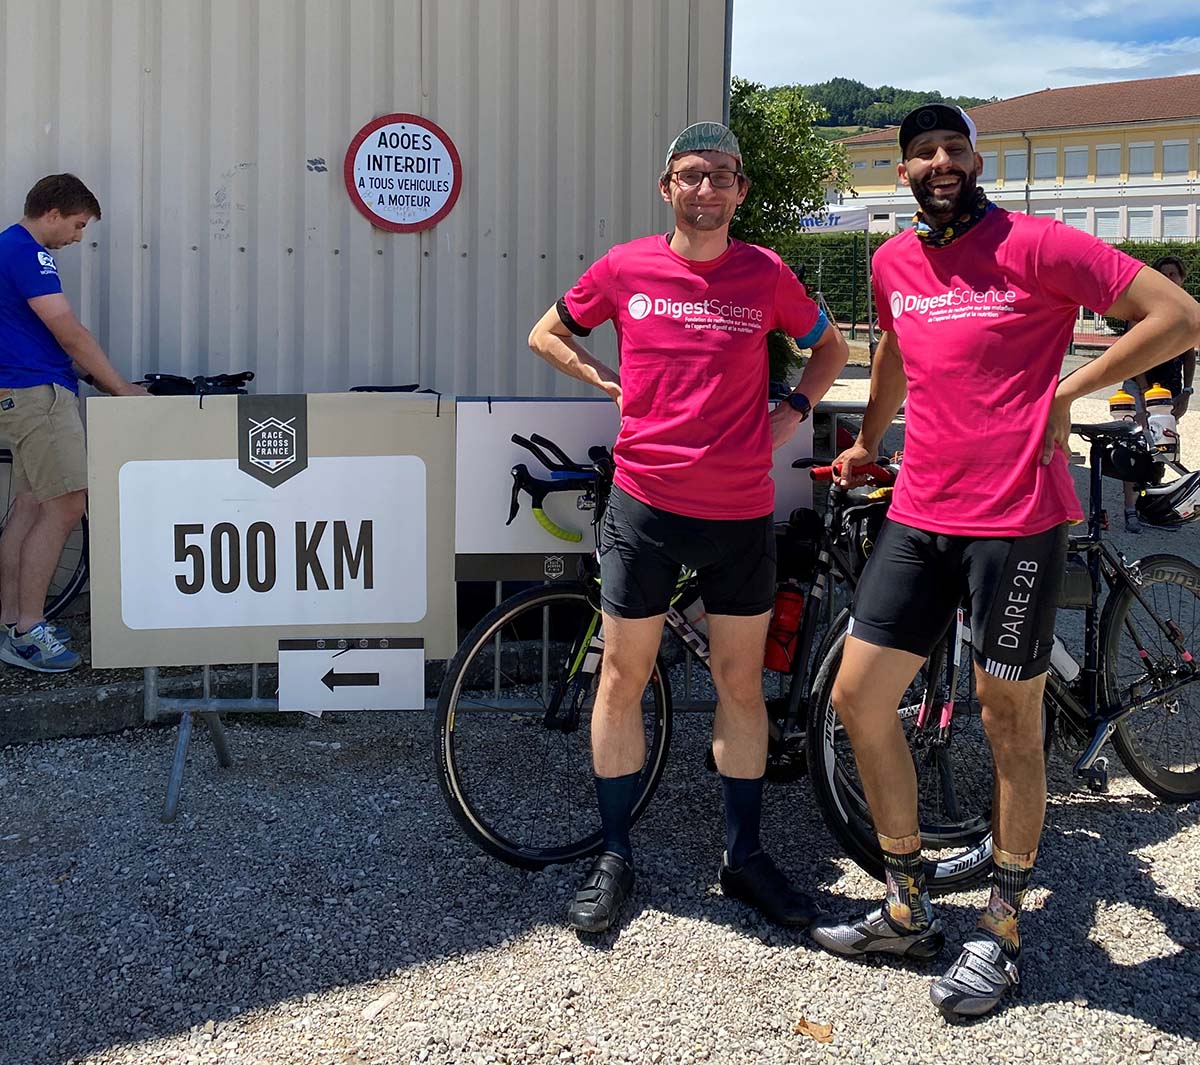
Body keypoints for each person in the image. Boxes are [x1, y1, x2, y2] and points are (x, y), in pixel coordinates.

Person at [808, 105, 1200, 1018]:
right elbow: (900, 345)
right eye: (921, 153)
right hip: (921, 510)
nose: (938, 163)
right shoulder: (892, 261)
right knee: (858, 697)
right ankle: (908, 902)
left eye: (952, 148)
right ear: (903, 171)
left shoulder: (1037, 242)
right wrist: (869, 439)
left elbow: (1178, 315)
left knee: (1006, 717)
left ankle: (1005, 925)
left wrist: (1069, 389)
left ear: (976, 159)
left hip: (1016, 515)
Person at [527, 122, 849, 934]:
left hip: (740, 511)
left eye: (722, 176)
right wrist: (606, 380)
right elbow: (548, 331)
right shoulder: (626, 267)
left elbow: (831, 347)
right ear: (666, 187)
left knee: (741, 686)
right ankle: (614, 854)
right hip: (645, 507)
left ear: (741, 191)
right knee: (621, 679)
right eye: (692, 175)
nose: (707, 189)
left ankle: (743, 860)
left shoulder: (766, 273)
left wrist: (795, 410)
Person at [0, 173, 147, 672]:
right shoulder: (29, 253)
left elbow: (33, 335)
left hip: (20, 392)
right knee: (66, 507)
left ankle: (11, 622)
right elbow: (69, 333)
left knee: (27, 509)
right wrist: (122, 389)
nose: (78, 238)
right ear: (54, 213)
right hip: (39, 397)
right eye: (79, 226)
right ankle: (28, 631)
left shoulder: (6, 248)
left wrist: (94, 376)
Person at [1121, 254, 1195, 532]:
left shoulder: (1187, 310)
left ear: (1181, 277)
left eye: (1172, 274)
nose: (1167, 279)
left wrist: (1186, 392)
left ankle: (1151, 508)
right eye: (1162, 274)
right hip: (1138, 385)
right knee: (1132, 445)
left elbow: (1189, 356)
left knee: (1162, 448)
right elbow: (1131, 352)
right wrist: (1141, 391)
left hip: (1170, 388)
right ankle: (1130, 509)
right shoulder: (1142, 309)